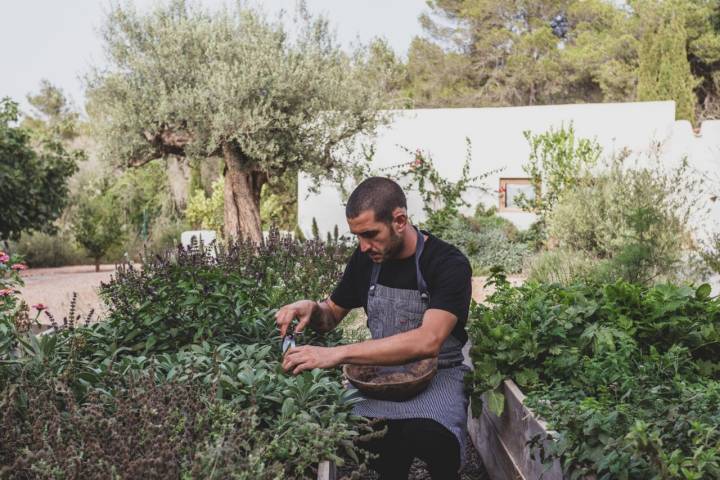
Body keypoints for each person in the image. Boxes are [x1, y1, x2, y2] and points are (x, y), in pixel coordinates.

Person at [276, 177, 472, 479]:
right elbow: (330, 315)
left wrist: (336, 355)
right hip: (379, 377)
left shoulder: (447, 263)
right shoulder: (366, 259)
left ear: (399, 220)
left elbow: (427, 341)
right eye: (357, 236)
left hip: (439, 373)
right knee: (378, 440)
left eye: (370, 234)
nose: (363, 246)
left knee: (434, 437)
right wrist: (311, 307)